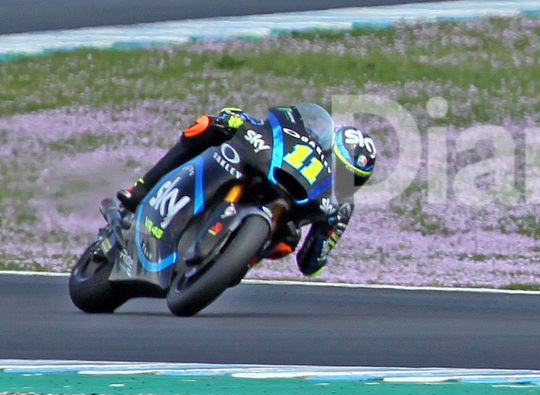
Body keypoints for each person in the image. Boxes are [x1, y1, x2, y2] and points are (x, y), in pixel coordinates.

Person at [116, 104, 378, 277]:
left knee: (288, 241)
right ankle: (142, 187)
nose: (345, 180)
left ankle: (234, 261)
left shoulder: (341, 206)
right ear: (330, 150)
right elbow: (272, 127)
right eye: (341, 168)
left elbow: (310, 264)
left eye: (354, 179)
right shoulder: (307, 140)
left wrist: (326, 235)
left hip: (287, 212)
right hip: (266, 168)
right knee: (208, 125)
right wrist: (235, 119)